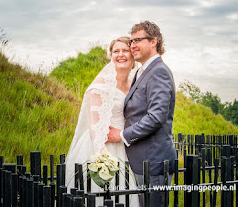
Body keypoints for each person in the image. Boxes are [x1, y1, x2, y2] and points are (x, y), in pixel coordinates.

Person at [107, 21, 177, 206]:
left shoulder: (158, 71)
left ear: (153, 42)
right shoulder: (142, 71)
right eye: (131, 41)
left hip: (153, 163)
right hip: (140, 161)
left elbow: (156, 117)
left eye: (138, 40)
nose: (132, 46)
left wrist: (121, 135)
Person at [65, 37, 139, 206]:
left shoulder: (133, 84)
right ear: (111, 56)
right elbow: (95, 128)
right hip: (104, 147)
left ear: (133, 55)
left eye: (125, 51)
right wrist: (102, 160)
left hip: (126, 143)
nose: (121, 54)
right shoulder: (100, 86)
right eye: (116, 51)